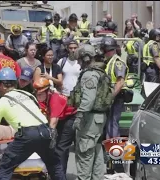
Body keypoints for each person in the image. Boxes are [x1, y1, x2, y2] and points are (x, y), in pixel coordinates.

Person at [0, 67, 66, 180]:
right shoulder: (29, 95)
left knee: (6, 166)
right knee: (54, 165)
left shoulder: (2, 102)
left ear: (1, 85)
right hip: (45, 131)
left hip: (26, 134)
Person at [72, 44, 110, 180]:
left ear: (85, 58)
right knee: (97, 151)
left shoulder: (89, 74)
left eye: (79, 60)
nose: (78, 63)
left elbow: (88, 99)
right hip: (99, 119)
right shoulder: (100, 72)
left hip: (89, 120)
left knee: (84, 153)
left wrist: (79, 116)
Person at [33, 77, 76, 174]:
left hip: (70, 118)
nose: (38, 96)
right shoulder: (44, 97)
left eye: (40, 94)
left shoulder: (55, 99)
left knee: (60, 147)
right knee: (54, 146)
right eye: (37, 93)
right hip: (60, 118)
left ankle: (60, 175)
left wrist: (49, 138)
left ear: (47, 91)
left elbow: (53, 122)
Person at [100, 37, 128, 139]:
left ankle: (113, 150)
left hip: (115, 97)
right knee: (108, 123)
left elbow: (120, 82)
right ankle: (109, 149)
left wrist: (110, 97)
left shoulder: (117, 62)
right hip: (109, 96)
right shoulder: (109, 61)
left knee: (112, 124)